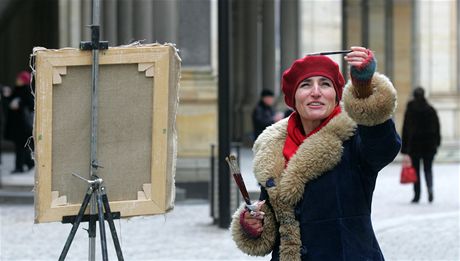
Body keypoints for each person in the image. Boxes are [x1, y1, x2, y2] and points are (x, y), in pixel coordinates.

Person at [230, 46, 401, 261]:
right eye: (306, 85)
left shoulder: (354, 137)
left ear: (336, 95)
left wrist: (363, 89)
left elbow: (383, 148)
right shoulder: (272, 148)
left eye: (325, 84)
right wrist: (254, 223)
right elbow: (275, 220)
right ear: (293, 98)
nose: (316, 92)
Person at [401, 87, 441, 203]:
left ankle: (417, 195)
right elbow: (437, 128)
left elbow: (406, 129)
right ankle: (430, 189)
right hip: (429, 146)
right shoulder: (430, 110)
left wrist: (405, 148)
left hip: (414, 146)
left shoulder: (411, 110)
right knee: (428, 169)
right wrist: (437, 143)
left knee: (416, 171)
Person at [4, 71, 35, 173]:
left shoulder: (27, 91)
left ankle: (19, 167)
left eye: (20, 79)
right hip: (16, 125)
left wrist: (19, 104)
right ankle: (29, 163)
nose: (17, 80)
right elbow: (10, 100)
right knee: (21, 146)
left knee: (21, 147)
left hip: (22, 125)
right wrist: (7, 96)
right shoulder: (16, 90)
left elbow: (31, 105)